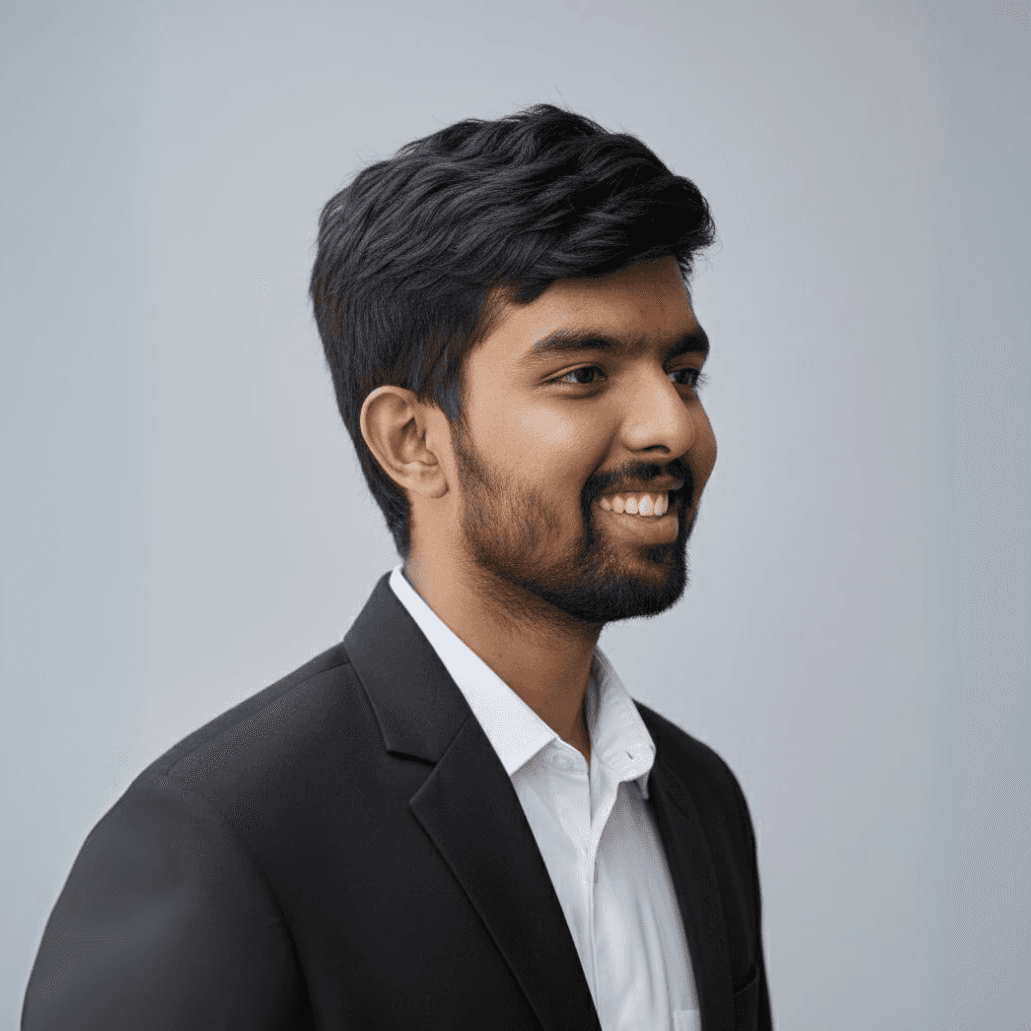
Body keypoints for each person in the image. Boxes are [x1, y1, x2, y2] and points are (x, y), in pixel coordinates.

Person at [23, 104, 772, 1031]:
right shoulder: (219, 834)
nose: (671, 425)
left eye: (683, 372)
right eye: (582, 373)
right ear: (413, 441)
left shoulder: (699, 800)